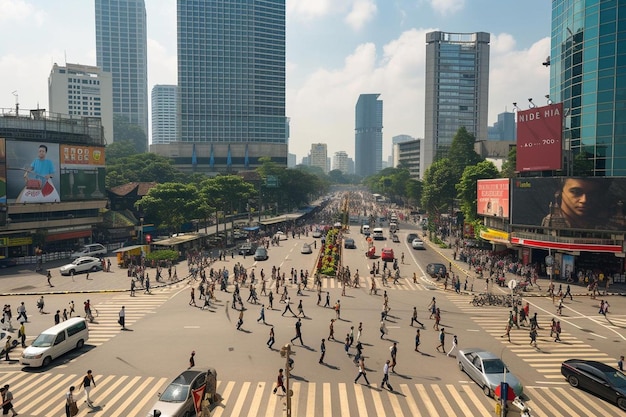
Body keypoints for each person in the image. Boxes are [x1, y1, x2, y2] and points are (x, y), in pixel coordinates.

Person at [541, 177, 621, 230]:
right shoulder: (549, 221)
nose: (584, 200)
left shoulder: (612, 224)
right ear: (560, 192)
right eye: (576, 192)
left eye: (592, 194)